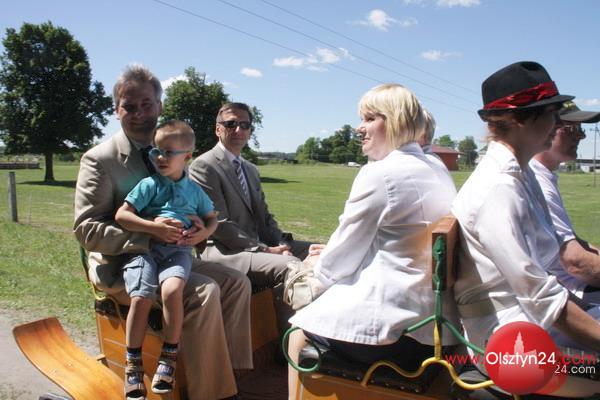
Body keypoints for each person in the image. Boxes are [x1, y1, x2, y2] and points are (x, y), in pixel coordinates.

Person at [74, 64, 251, 400]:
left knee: (236, 282)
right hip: (126, 262)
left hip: (173, 253)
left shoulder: (174, 146)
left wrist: (199, 231)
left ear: (160, 106)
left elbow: (193, 207)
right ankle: (211, 393)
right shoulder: (100, 159)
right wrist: (150, 234)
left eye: (146, 104)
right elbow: (87, 229)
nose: (139, 113)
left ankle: (235, 373)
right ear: (116, 110)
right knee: (205, 291)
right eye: (129, 106)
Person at [286, 83, 461, 398]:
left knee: (296, 333)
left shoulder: (381, 173)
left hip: (396, 332)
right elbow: (400, 240)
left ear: (394, 121)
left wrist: (315, 264)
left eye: (369, 118)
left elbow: (337, 263)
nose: (359, 128)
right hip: (436, 327)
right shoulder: (434, 166)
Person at [452, 61, 600, 397]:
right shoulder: (499, 188)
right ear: (518, 119)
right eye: (551, 114)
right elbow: (540, 298)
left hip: (530, 324)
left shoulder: (521, 174)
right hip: (511, 344)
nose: (557, 124)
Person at [114, 120, 217, 398]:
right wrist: (153, 227)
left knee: (172, 291)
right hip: (145, 249)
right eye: (156, 151)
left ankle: (168, 358)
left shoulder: (194, 191)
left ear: (187, 156)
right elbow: (122, 215)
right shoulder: (148, 185)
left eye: (168, 152)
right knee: (141, 297)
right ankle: (133, 363)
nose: (160, 157)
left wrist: (203, 233)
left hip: (178, 251)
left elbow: (211, 218)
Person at [189, 102, 311, 333]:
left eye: (244, 125)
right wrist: (266, 250)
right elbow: (219, 224)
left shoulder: (251, 169)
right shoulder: (203, 166)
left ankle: (322, 333)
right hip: (224, 250)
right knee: (292, 266)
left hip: (257, 245)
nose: (238, 130)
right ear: (218, 129)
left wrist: (281, 242)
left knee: (320, 251)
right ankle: (288, 342)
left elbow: (264, 216)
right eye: (231, 124)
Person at [530, 101, 600, 303]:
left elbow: (576, 242)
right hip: (569, 293)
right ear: (547, 128)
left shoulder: (542, 176)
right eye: (572, 129)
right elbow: (575, 261)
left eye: (580, 129)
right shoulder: (538, 183)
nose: (581, 136)